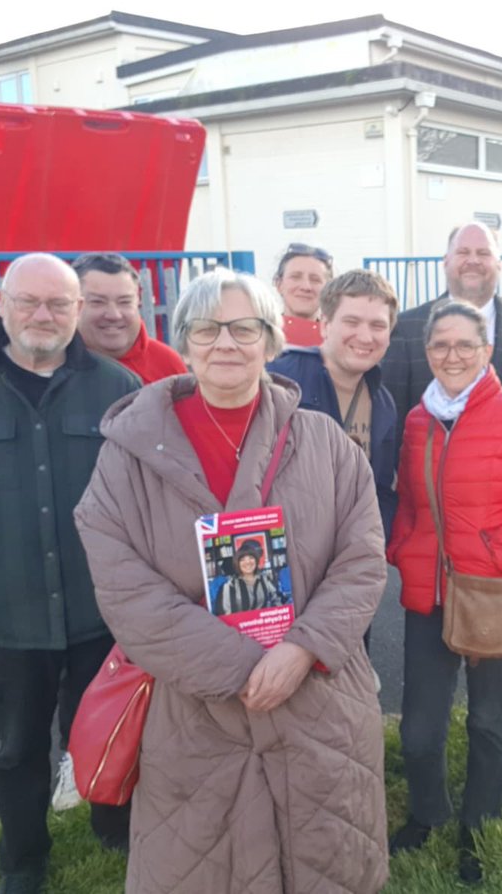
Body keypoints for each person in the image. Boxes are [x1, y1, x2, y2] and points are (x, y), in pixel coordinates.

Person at [73, 269, 388, 893]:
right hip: (195, 709)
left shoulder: (323, 441)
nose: (227, 343)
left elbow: (363, 558)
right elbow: (124, 586)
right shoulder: (131, 451)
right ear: (184, 341)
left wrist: (301, 650)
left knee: (324, 863)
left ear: (271, 340)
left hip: (317, 700)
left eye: (245, 327)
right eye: (208, 328)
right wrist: (240, 666)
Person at [0, 253, 140, 894]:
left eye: (59, 304)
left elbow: (143, 492)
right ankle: (23, 857)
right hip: (7, 611)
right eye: (29, 302)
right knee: (18, 748)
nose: (44, 315)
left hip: (99, 608)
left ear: (76, 312)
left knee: (102, 727)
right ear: (3, 306)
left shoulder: (116, 387)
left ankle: (112, 823)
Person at [386, 300, 502, 884]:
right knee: (420, 728)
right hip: (429, 595)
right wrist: (402, 549)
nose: (452, 355)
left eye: (465, 344)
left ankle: (478, 824)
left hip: (494, 593)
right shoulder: (418, 420)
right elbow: (412, 504)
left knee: (490, 720)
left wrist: (495, 557)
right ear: (428, 352)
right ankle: (427, 812)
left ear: (487, 350)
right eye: (440, 345)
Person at [383, 221, 502, 733]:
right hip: (437, 512)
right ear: (446, 261)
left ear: (499, 262)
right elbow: (397, 415)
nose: (473, 260)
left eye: (484, 252)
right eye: (464, 251)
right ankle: (442, 715)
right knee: (438, 627)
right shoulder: (413, 326)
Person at [0, 251, 186, 396]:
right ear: (75, 305)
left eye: (125, 301)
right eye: (98, 302)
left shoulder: (167, 364)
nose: (114, 314)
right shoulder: (39, 359)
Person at [268, 268, 398, 536]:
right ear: (325, 325)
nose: (365, 337)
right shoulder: (279, 383)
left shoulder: (383, 403)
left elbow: (381, 490)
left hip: (350, 562)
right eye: (352, 322)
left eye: (378, 325)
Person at [273, 242, 333, 348]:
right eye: (295, 277)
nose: (306, 287)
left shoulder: (336, 341)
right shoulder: (262, 338)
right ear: (279, 284)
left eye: (315, 279)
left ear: (328, 289)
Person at [214, 539, 278, 615]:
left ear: (256, 560)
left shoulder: (265, 580)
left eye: (251, 558)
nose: (248, 562)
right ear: (237, 563)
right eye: (242, 559)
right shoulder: (229, 586)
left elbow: (277, 600)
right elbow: (223, 613)